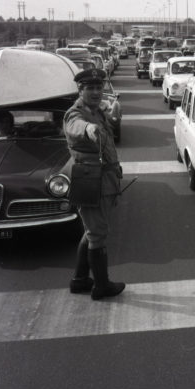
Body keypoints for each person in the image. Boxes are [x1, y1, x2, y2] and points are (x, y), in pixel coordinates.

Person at [63, 68, 125, 300]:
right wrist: (88, 129)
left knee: (92, 231)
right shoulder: (75, 114)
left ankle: (80, 280)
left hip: (104, 180)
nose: (96, 92)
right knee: (97, 233)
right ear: (80, 90)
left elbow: (107, 129)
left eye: (99, 87)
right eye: (90, 88)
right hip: (91, 182)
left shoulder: (97, 111)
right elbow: (76, 126)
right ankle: (101, 286)